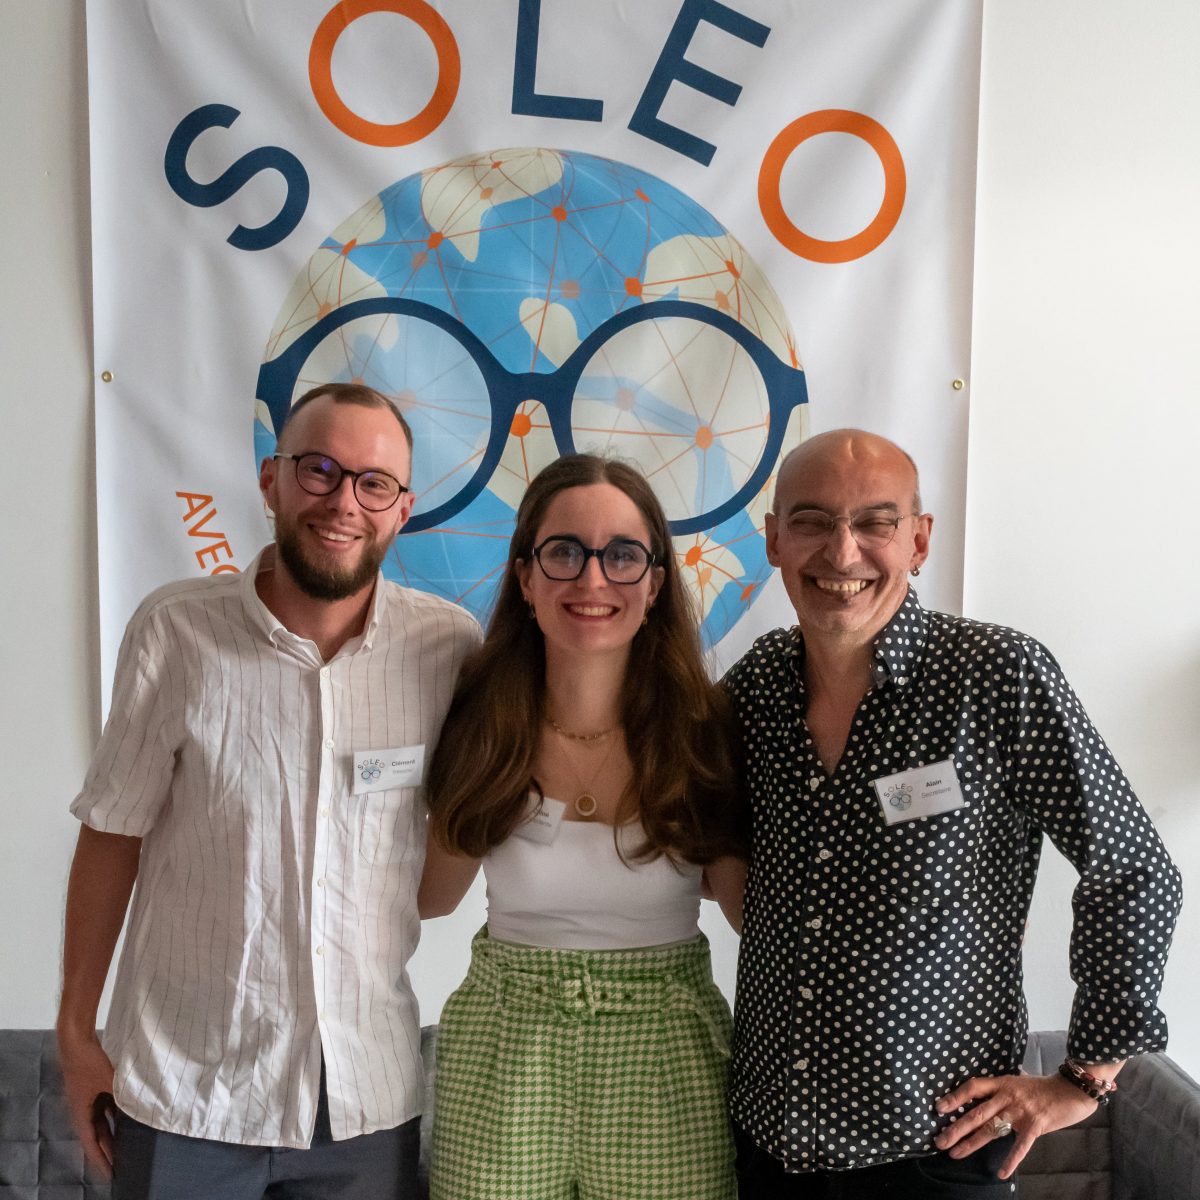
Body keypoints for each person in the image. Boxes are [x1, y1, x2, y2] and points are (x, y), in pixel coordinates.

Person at [725, 429, 1181, 1198]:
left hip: (936, 1148)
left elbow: (1132, 868)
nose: (842, 552)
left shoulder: (996, 678)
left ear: (919, 540)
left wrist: (1085, 1078)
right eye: (811, 521)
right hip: (771, 1143)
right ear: (773, 539)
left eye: (875, 521)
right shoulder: (755, 688)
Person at [56, 383, 481, 1200]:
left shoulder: (448, 650)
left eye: (373, 483)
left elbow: (432, 887)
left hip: (364, 1104)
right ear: (270, 480)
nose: (343, 502)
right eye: (319, 469)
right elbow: (112, 832)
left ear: (401, 510)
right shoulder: (176, 633)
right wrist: (76, 1031)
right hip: (187, 1097)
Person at [417, 453, 745, 1200]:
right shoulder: (480, 718)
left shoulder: (703, 732)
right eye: (564, 552)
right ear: (525, 577)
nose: (592, 580)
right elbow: (430, 897)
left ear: (655, 583)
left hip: (666, 1061)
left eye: (622, 556)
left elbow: (747, 914)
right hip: (504, 1055)